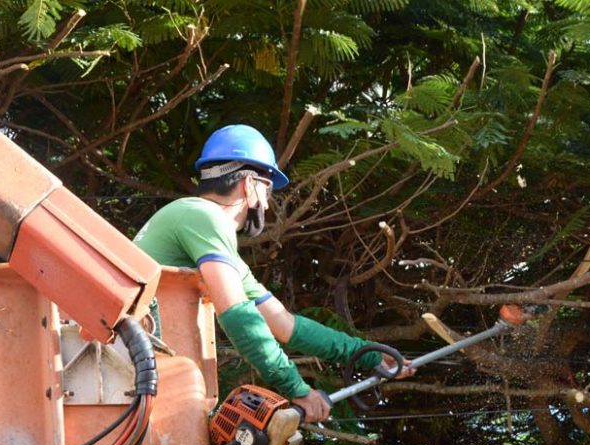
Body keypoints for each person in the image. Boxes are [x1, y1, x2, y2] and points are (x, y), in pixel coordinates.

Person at [134, 124, 411, 422]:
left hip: (145, 372)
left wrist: (367, 353)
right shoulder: (204, 217)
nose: (266, 204)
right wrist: (297, 389)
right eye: (267, 190)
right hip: (135, 373)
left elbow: (284, 325)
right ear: (249, 185)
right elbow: (238, 314)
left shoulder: (213, 244)